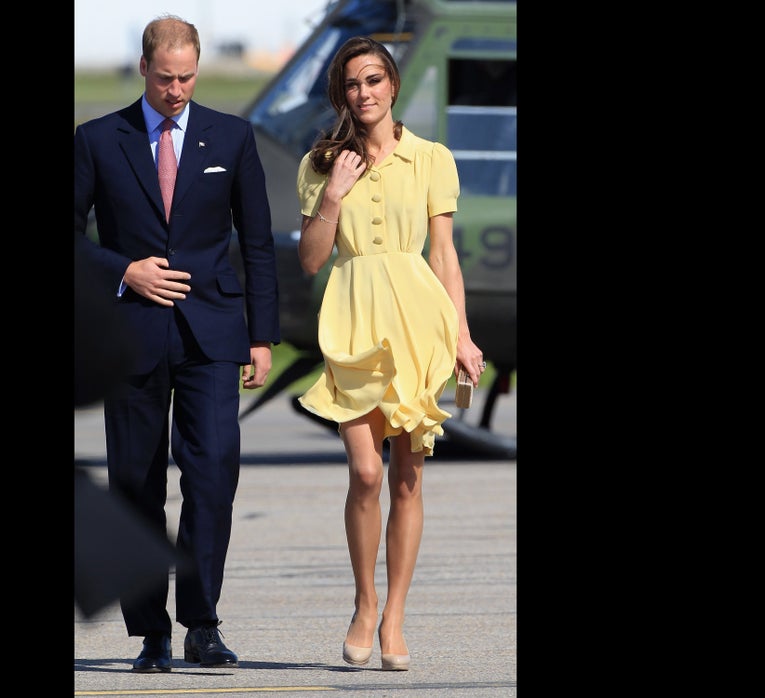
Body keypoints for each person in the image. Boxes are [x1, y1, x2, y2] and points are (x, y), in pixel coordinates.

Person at [74, 14, 280, 673]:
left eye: (188, 76)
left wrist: (262, 337)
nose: (178, 89)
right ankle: (152, 633)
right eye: (166, 77)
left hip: (213, 332)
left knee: (215, 467)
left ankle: (202, 622)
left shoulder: (233, 136)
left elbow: (256, 244)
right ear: (143, 69)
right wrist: (122, 269)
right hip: (129, 333)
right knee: (135, 482)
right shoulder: (98, 140)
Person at [295, 36, 486, 671]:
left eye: (374, 80)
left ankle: (396, 617)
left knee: (406, 475)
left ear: (394, 85)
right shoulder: (321, 163)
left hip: (418, 321)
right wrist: (333, 195)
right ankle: (364, 602)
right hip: (351, 317)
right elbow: (312, 260)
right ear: (340, 94)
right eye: (352, 84)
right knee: (366, 473)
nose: (364, 93)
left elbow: (443, 255)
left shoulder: (432, 158)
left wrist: (460, 333)